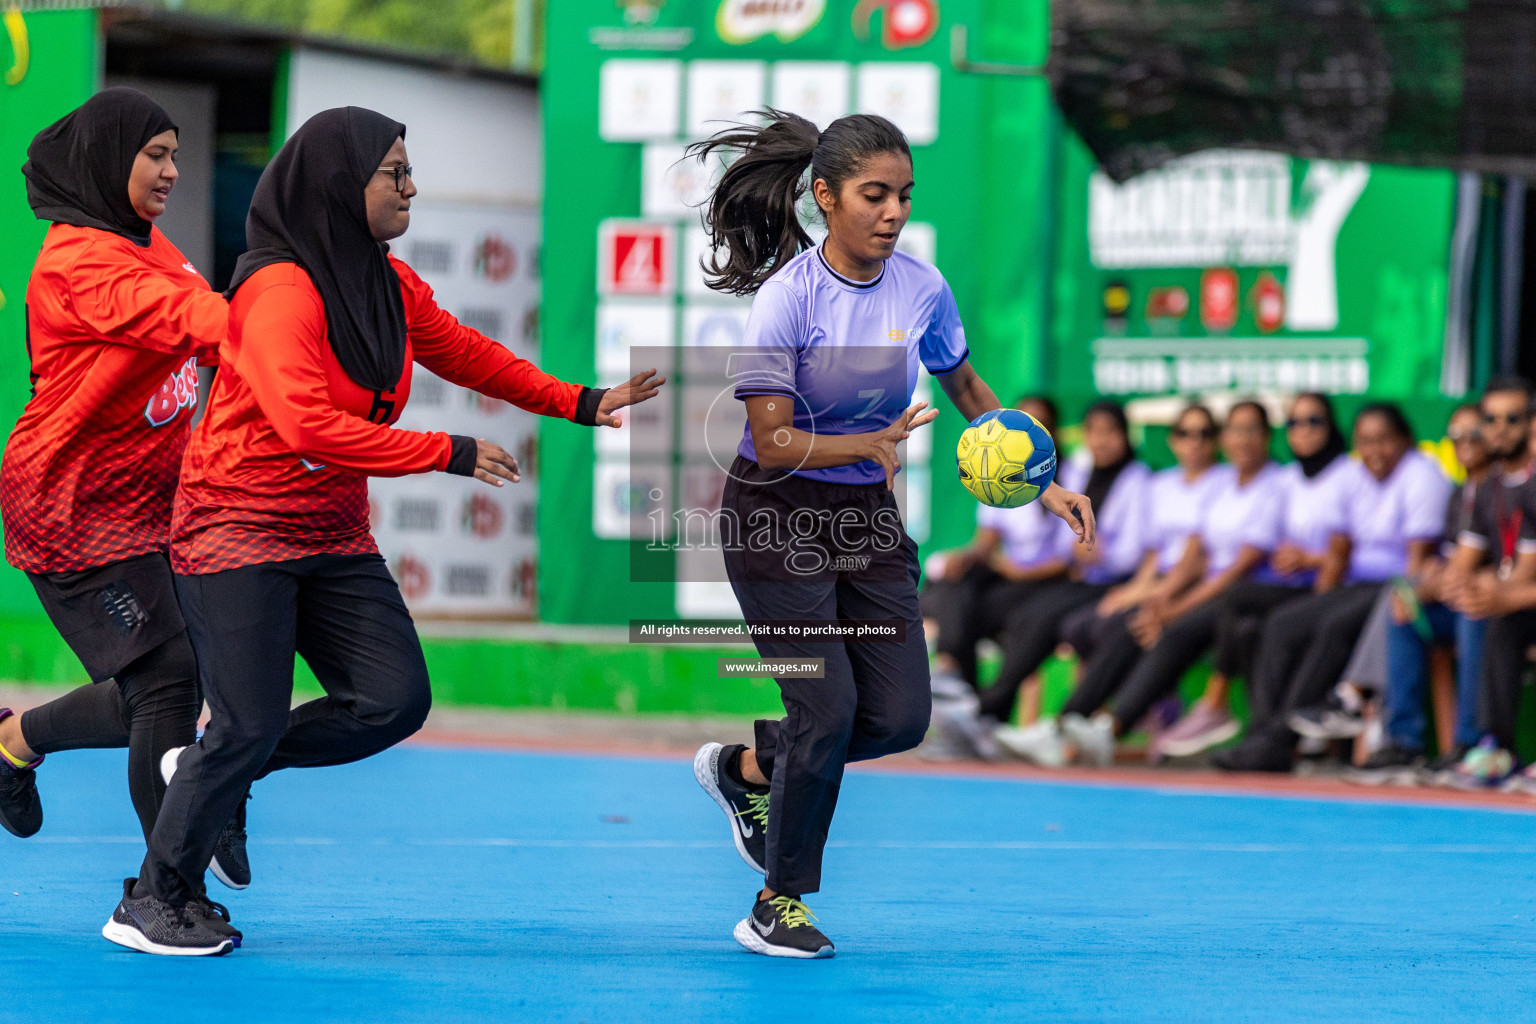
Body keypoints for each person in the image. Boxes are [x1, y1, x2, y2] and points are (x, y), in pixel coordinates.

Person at [104, 107, 664, 956]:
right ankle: (152, 897)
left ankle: (220, 773)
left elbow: (467, 352)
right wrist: (447, 450)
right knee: (247, 723)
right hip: (237, 532)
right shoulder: (279, 290)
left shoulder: (385, 283)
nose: (410, 187)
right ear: (339, 183)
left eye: (408, 171)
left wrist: (580, 402)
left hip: (329, 532)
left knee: (394, 701)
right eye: (393, 172)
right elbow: (306, 424)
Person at [685, 110, 1096, 958]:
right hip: (775, 516)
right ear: (826, 197)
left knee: (902, 716)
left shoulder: (922, 288)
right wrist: (864, 445)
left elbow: (968, 384)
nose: (893, 212)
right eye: (875, 195)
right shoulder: (788, 299)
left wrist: (1044, 481)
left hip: (866, 518)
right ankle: (778, 902)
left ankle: (748, 769)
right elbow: (770, 438)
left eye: (904, 195)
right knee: (827, 707)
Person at [0, 89, 244, 923]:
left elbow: (211, 320)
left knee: (179, 677)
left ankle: (11, 743)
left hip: (150, 503)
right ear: (111, 160)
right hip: (71, 506)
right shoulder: (79, 262)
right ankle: (161, 893)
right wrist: (282, 334)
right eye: (157, 155)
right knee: (169, 681)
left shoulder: (144, 241)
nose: (173, 171)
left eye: (177, 154)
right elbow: (194, 317)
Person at [1006, 401, 1283, 767]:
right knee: (1106, 620)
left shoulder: (1256, 482)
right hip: (1186, 585)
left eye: (1205, 434)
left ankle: (1084, 726)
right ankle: (1082, 726)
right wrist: (1139, 592)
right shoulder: (1220, 484)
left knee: (1142, 624)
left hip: (1231, 592)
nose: (1196, 442)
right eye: (1185, 433)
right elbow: (1183, 553)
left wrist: (1166, 604)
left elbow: (1223, 567)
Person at [1214, 403, 1449, 772]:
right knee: (1284, 623)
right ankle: (1260, 735)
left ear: (1405, 440)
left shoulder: (1421, 475)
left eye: (1384, 441)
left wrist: (1399, 599)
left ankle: (1279, 742)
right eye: (1366, 442)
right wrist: (1321, 597)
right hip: (1356, 583)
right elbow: (1340, 547)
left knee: (1332, 626)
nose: (1375, 451)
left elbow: (1418, 559)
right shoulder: (1358, 476)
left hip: (1396, 586)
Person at [929, 399, 1149, 759]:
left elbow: (1123, 550)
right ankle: (964, 695)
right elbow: (1017, 538)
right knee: (951, 587)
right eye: (1094, 432)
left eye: (1111, 432)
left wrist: (1091, 552)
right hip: (1067, 576)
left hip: (1098, 580)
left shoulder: (1126, 479)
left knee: (1037, 615)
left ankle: (986, 713)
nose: (1102, 441)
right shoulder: (1066, 469)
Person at [1156, 392, 1353, 759]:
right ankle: (1263, 735)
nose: (1304, 430)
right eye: (1295, 422)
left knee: (1253, 608)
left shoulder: (1343, 475)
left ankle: (1223, 708)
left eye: (1314, 421)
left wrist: (1311, 566)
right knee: (1246, 628)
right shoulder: (1292, 478)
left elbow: (1341, 551)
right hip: (1289, 587)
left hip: (1330, 590)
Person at [1317, 403, 1491, 782]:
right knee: (1406, 605)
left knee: (1469, 608)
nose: (1465, 443)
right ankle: (1403, 743)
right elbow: (1445, 560)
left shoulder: (1502, 488)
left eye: (1474, 433)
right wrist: (1433, 579)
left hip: (1495, 602)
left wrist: (1445, 580)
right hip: (1458, 593)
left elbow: (1486, 564)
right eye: (1456, 435)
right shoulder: (1462, 492)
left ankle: (1471, 745)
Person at [922, 395, 1068, 696]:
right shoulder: (1000, 470)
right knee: (955, 580)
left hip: (1047, 582)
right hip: (1010, 575)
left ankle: (967, 693)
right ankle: (954, 674)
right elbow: (986, 543)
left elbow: (1075, 558)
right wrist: (965, 557)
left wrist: (1019, 572)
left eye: (1039, 425)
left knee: (961, 607)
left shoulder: (1075, 474)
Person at [1439, 379, 1536, 787]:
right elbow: (1464, 565)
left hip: (1524, 598)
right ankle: (1492, 748)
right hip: (1520, 600)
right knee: (1477, 612)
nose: (1499, 428)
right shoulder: (1489, 487)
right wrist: (1455, 586)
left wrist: (1500, 594)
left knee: (1495, 613)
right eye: (1490, 419)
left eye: (1511, 419)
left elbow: (1524, 576)